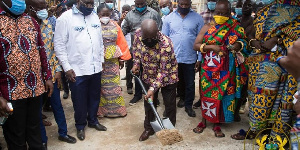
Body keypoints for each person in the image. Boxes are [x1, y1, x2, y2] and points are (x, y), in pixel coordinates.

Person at [231, 0, 300, 140]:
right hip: (258, 60)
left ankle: (274, 135)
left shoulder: (296, 9)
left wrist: (276, 40)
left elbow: (295, 34)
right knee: (256, 97)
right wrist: (254, 42)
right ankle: (255, 129)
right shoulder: (264, 10)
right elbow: (252, 34)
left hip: (282, 61)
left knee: (277, 99)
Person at [0, 0, 54, 149]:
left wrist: (47, 76)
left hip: (35, 90)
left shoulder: (30, 21)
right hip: (10, 94)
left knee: (35, 131)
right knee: (16, 137)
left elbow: (41, 50)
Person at [193, 0, 248, 137]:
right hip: (209, 69)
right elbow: (196, 45)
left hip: (226, 70)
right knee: (206, 95)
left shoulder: (236, 27)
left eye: (224, 13)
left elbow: (245, 43)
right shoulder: (207, 27)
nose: (220, 15)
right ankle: (204, 121)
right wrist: (212, 47)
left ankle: (217, 123)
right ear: (214, 12)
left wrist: (239, 45)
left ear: (230, 14)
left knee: (222, 96)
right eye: (218, 13)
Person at [26, 0, 77, 148]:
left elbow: (54, 51)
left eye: (45, 7)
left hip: (50, 74)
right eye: (40, 8)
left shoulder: (50, 24)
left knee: (57, 105)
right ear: (31, 8)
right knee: (36, 111)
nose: (44, 11)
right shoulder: (26, 25)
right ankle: (42, 140)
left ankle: (63, 133)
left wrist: (57, 71)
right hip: (33, 78)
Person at [54, 0, 107, 141]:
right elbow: (59, 45)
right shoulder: (65, 18)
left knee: (95, 96)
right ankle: (80, 125)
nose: (90, 6)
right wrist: (67, 67)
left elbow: (100, 41)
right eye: (87, 3)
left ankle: (93, 120)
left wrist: (101, 60)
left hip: (95, 67)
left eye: (92, 3)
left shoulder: (95, 16)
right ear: (78, 1)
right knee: (79, 100)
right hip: (76, 69)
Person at [132, 19, 178, 141]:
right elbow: (136, 51)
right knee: (149, 103)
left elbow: (163, 71)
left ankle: (169, 128)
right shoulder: (138, 34)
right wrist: (136, 64)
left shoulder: (166, 43)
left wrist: (153, 88)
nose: (148, 41)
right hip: (148, 74)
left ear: (157, 32)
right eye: (145, 38)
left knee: (169, 104)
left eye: (152, 38)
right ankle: (149, 128)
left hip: (168, 76)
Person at [162, 0, 203, 117]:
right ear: (177, 3)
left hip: (190, 58)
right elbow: (164, 40)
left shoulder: (197, 18)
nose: (184, 7)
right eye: (181, 4)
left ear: (190, 3)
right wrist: (164, 58)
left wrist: (199, 59)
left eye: (186, 5)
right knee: (171, 84)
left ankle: (188, 106)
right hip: (173, 58)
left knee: (190, 83)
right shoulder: (169, 18)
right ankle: (169, 107)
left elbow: (201, 41)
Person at [122, 0, 162, 105]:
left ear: (146, 2)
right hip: (135, 50)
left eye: (142, 4)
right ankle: (138, 95)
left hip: (152, 50)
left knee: (152, 73)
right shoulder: (129, 15)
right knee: (137, 73)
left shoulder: (153, 13)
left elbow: (160, 30)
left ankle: (154, 96)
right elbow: (123, 31)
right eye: (137, 4)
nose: (139, 6)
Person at [96, 3, 131, 118]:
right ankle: (103, 111)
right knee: (103, 86)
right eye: (103, 14)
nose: (106, 16)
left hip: (113, 60)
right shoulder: (94, 26)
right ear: (98, 14)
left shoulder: (115, 25)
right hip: (100, 60)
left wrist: (122, 58)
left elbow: (121, 41)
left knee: (115, 85)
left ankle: (118, 110)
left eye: (107, 14)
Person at [193, 0, 217, 109]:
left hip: (221, 59)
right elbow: (198, 40)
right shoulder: (202, 16)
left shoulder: (229, 22)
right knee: (204, 81)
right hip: (206, 55)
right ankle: (202, 99)